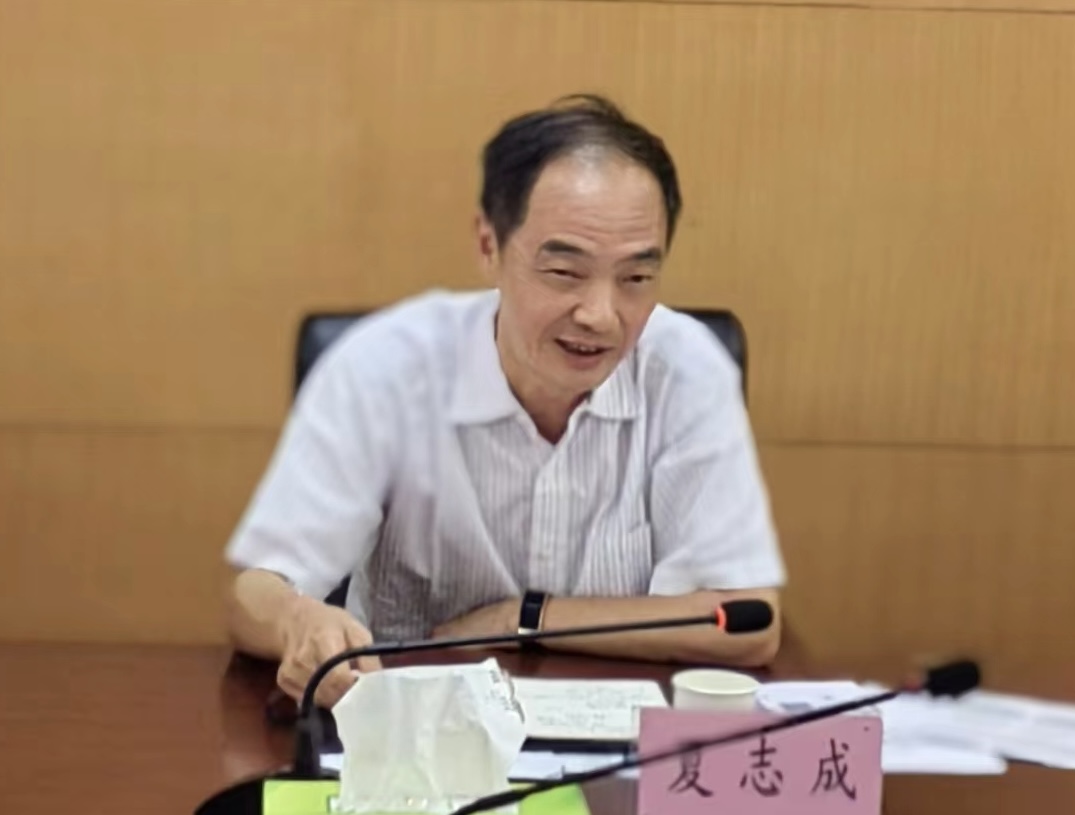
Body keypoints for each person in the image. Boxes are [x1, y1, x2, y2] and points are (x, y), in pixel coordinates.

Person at [224, 94, 787, 709]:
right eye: (564, 273)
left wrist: (524, 619)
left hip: (617, 736)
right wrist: (298, 620)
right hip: (411, 731)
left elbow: (747, 623)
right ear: (489, 246)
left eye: (636, 278)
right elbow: (253, 594)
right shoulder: (386, 369)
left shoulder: (686, 370)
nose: (601, 315)